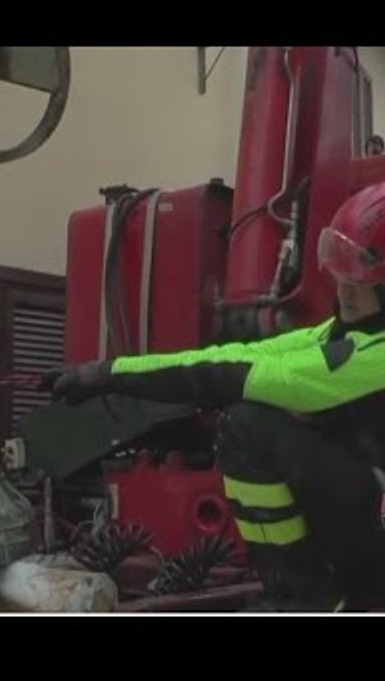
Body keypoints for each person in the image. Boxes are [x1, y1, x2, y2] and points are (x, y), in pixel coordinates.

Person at [42, 182, 385, 611]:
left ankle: (313, 599)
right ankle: (307, 595)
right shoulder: (339, 334)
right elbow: (232, 356)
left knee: (251, 424)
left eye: (362, 274)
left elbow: (240, 375)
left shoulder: (376, 356)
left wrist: (107, 377)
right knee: (258, 419)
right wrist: (107, 372)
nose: (344, 286)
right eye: (342, 269)